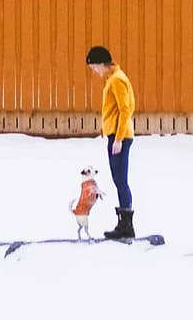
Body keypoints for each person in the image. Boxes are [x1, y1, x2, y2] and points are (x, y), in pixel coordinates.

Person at [86, 44, 136, 239]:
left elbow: (126, 109)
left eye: (94, 68)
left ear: (101, 63)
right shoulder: (115, 78)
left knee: (121, 181)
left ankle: (126, 226)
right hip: (116, 134)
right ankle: (124, 223)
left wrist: (119, 138)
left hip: (119, 136)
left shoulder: (116, 80)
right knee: (119, 180)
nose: (95, 72)